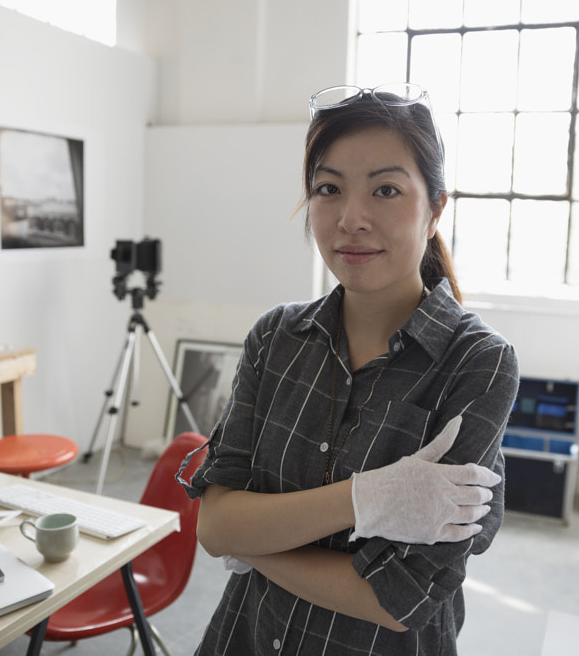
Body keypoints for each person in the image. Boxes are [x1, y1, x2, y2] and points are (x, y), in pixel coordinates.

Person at [178, 83, 520, 655]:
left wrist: (253, 538)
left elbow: (397, 598)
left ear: (435, 208)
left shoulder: (477, 361)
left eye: (385, 189)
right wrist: (369, 499)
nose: (351, 218)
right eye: (328, 188)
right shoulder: (276, 338)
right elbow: (214, 527)